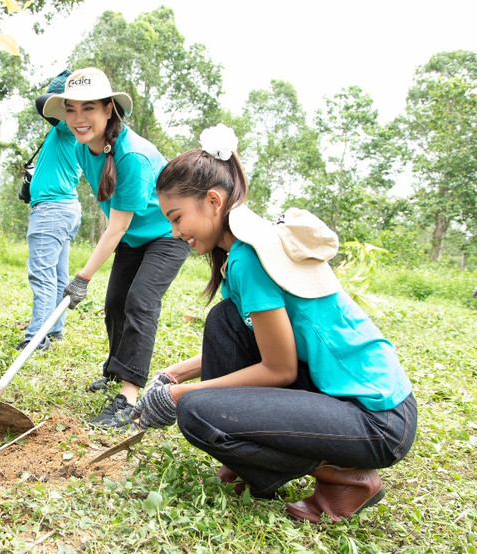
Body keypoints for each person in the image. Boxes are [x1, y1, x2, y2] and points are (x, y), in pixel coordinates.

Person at [131, 123, 417, 523]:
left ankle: (347, 479)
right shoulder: (243, 254)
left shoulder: (250, 258)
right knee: (224, 321)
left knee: (197, 412)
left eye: (177, 218)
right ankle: (252, 463)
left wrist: (180, 397)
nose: (176, 233)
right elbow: (259, 338)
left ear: (213, 201)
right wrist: (173, 375)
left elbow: (279, 369)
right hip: (337, 398)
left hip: (377, 418)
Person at [43, 67, 191, 427]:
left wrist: (82, 277)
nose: (78, 119)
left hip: (168, 235)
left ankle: (128, 397)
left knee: (140, 302)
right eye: (71, 109)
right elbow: (108, 206)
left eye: (88, 108)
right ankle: (114, 369)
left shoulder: (133, 155)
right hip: (132, 237)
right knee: (114, 304)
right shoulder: (84, 147)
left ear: (109, 109)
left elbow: (117, 225)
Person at [17, 69, 82, 352]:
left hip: (53, 210)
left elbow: (41, 101)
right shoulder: (62, 132)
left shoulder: (69, 124)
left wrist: (61, 94)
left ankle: (36, 336)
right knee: (56, 277)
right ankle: (53, 329)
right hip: (61, 207)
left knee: (42, 275)